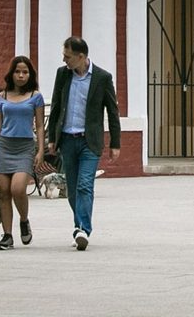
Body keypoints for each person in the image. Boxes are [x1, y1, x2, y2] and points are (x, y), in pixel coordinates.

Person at [45, 36, 121, 250]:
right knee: (72, 188)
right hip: (67, 139)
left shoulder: (102, 78)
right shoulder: (62, 75)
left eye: (67, 57)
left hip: (90, 141)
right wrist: (53, 137)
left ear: (81, 56)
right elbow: (57, 106)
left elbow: (112, 112)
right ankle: (79, 225)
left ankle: (83, 230)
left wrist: (116, 142)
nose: (64, 60)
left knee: (85, 185)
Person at [0, 56, 46, 250]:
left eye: (25, 72)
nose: (21, 75)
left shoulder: (36, 96)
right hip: (4, 147)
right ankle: (7, 235)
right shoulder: (2, 97)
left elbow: (40, 126)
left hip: (24, 147)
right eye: (18, 71)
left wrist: (41, 150)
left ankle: (24, 220)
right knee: (3, 193)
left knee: (18, 189)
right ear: (11, 73)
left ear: (30, 75)